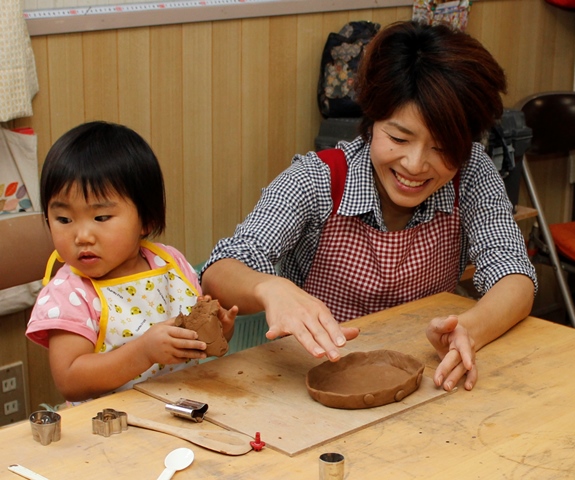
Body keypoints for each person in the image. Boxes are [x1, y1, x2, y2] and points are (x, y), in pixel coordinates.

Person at [201, 21, 537, 392]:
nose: (414, 164)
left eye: (442, 147)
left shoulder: (472, 172)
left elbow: (514, 275)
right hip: (316, 380)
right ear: (371, 119)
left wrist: (471, 329)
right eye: (398, 138)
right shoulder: (316, 179)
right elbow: (220, 271)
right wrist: (270, 288)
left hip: (426, 376)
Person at [26, 121, 238, 403]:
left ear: (147, 219)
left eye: (101, 218)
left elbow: (192, 343)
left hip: (183, 407)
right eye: (64, 220)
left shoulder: (169, 263)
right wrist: (143, 353)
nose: (82, 236)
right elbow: (70, 379)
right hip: (109, 430)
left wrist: (216, 332)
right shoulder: (69, 293)